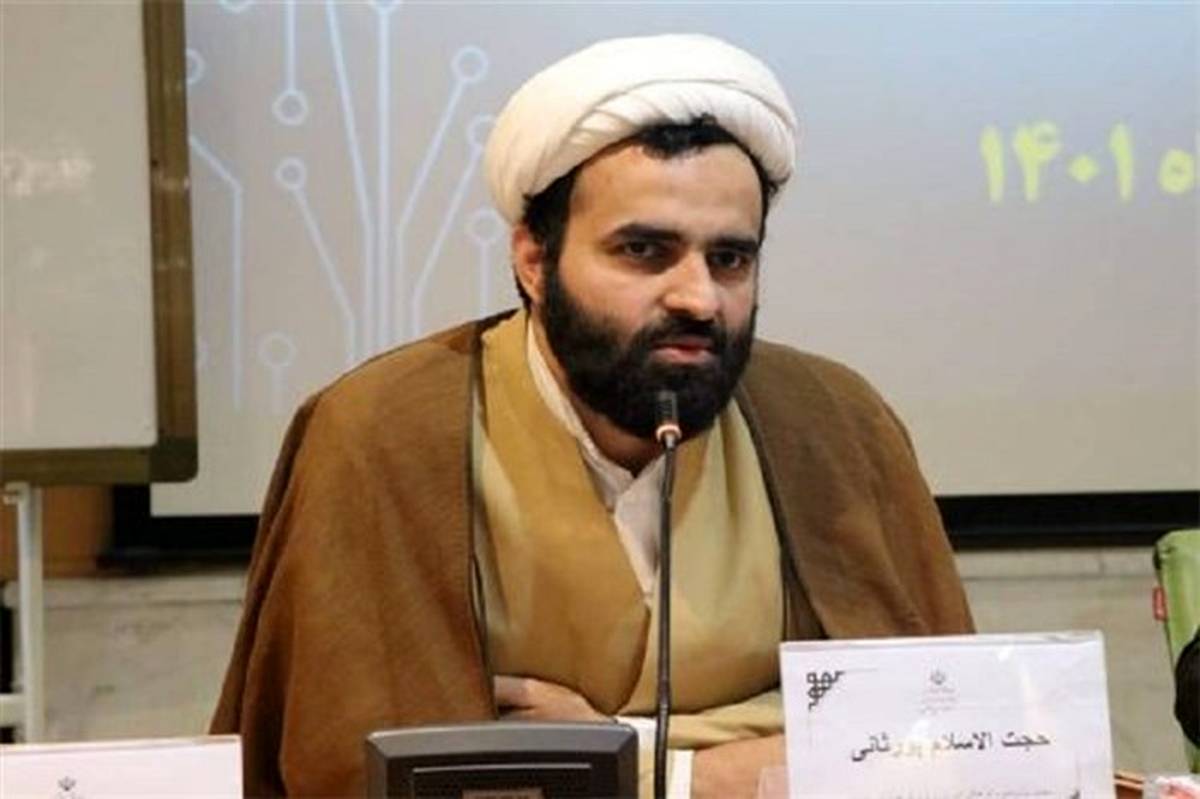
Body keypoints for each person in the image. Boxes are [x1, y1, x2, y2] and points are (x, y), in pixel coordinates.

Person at [211, 33, 973, 797]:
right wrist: (770, 746)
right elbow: (360, 762)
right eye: (643, 250)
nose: (698, 298)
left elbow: (936, 734)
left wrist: (625, 759)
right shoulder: (382, 431)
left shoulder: (834, 421)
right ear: (533, 260)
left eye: (729, 259)